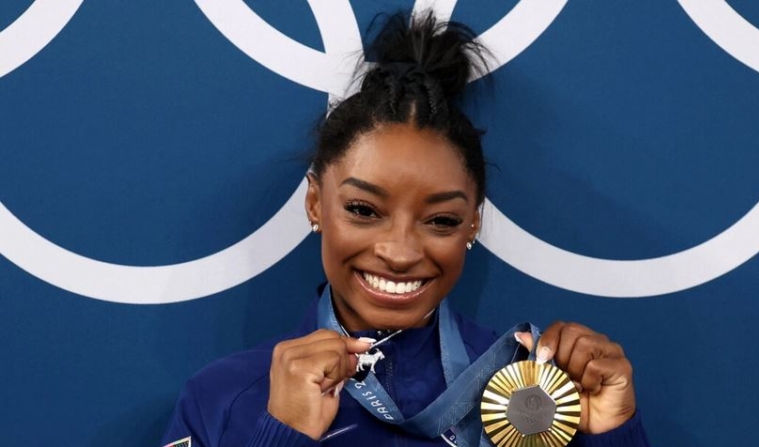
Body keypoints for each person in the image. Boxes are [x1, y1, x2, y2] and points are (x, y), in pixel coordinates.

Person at [161, 11, 650, 447]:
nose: (398, 252)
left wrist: (616, 434)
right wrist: (281, 437)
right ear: (315, 202)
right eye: (364, 210)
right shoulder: (220, 398)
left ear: (473, 222)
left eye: (441, 220)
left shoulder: (541, 396)